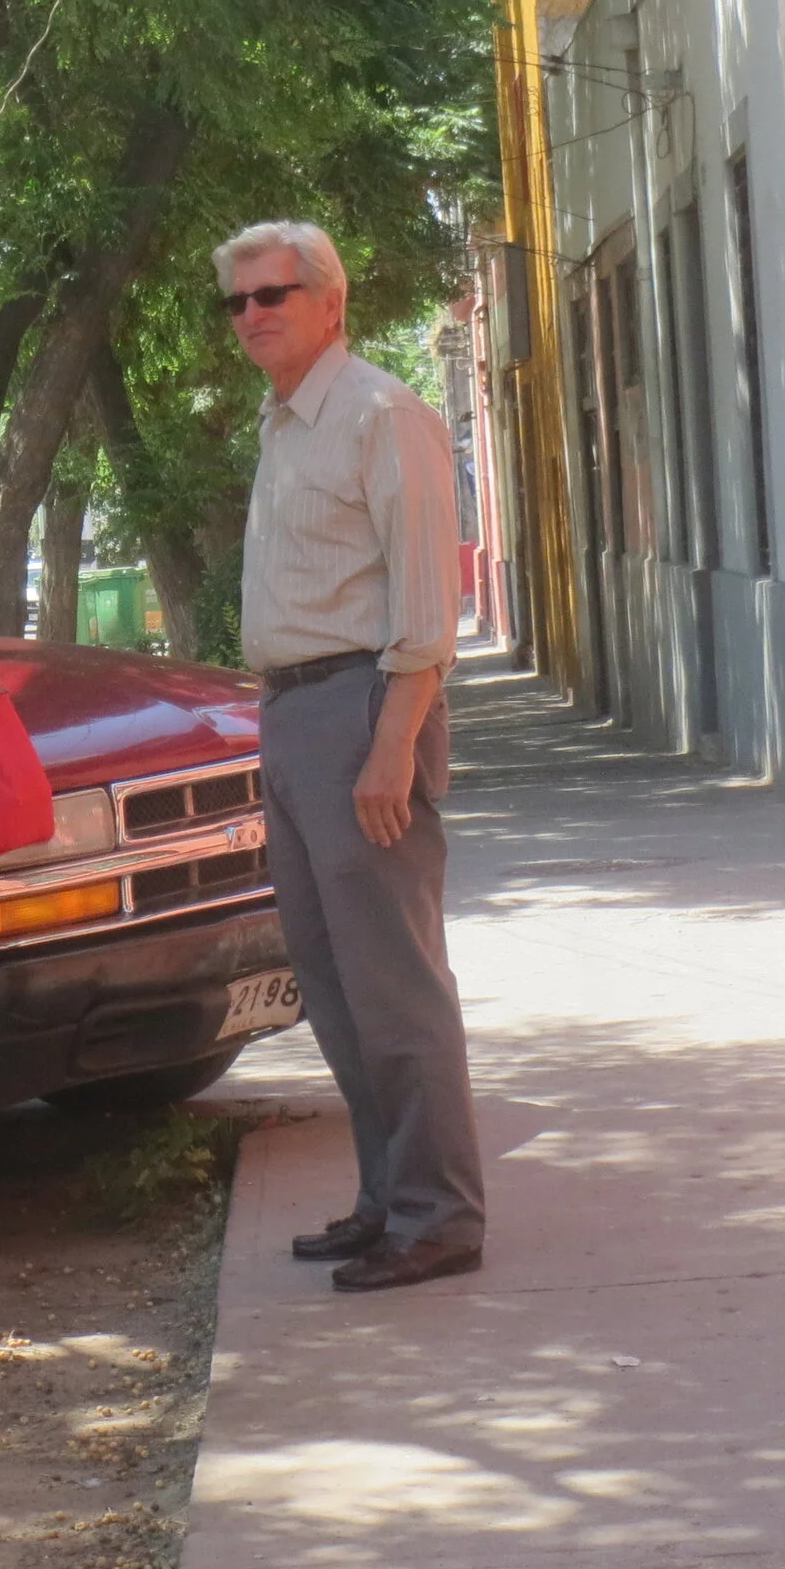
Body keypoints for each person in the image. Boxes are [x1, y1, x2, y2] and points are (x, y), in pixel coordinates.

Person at [217, 219, 487, 1292]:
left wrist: (393, 744)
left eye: (272, 293)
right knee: (332, 982)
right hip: (293, 715)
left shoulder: (382, 414)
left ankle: (439, 1214)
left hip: (362, 711)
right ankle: (388, 1198)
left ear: (330, 302)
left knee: (394, 980)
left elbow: (426, 601)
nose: (251, 314)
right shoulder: (286, 422)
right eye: (236, 300)